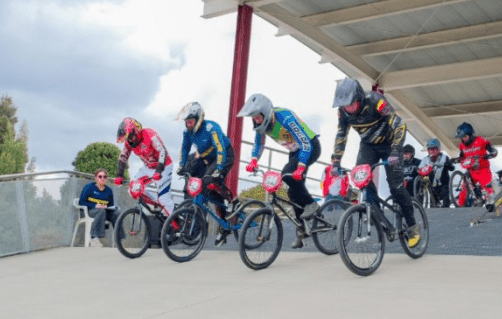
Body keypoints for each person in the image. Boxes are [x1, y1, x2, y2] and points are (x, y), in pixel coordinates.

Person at [331, 77, 421, 247]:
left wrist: (396, 150)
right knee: (361, 179)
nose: (348, 109)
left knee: (396, 187)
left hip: (389, 145)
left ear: (359, 97)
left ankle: (412, 226)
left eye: (351, 104)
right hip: (368, 146)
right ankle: (376, 213)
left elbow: (399, 125)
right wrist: (336, 161)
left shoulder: (376, 101)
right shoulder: (343, 112)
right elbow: (341, 135)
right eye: (345, 106)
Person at [237, 93, 321, 249]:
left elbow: (305, 143)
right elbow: (258, 144)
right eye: (253, 118)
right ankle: (303, 231)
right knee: (292, 194)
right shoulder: (261, 127)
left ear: (266, 112)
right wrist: (254, 159)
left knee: (287, 174)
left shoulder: (285, 117)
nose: (256, 121)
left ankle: (311, 205)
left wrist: (301, 166)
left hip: (310, 146)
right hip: (295, 151)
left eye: (257, 117)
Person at [175, 101, 237, 246]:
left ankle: (233, 201)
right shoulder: (187, 132)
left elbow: (220, 148)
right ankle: (224, 225)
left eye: (191, 121)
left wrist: (219, 169)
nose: (189, 124)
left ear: (198, 118)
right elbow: (184, 149)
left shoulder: (211, 127)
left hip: (224, 156)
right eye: (187, 122)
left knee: (209, 181)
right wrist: (182, 166)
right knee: (208, 191)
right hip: (209, 160)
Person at [114, 117, 174, 218]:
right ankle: (156, 204)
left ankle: (174, 224)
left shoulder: (150, 134)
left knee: (164, 199)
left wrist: (159, 171)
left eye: (130, 137)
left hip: (164, 166)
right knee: (132, 188)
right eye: (127, 138)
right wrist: (119, 175)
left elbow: (162, 152)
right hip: (149, 167)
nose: (129, 140)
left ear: (135, 131)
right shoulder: (129, 142)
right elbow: (123, 157)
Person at [455, 122, 497, 206]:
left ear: (471, 134)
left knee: (488, 187)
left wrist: (491, 154)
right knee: (464, 190)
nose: (464, 139)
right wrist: (456, 160)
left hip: (483, 169)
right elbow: (461, 156)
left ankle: (494, 203)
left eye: (465, 136)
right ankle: (459, 208)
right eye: (462, 138)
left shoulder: (481, 140)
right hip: (471, 171)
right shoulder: (462, 145)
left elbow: (493, 150)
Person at [78, 168, 117, 246]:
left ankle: (118, 238)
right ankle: (94, 237)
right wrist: (95, 205)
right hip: (89, 211)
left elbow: (111, 205)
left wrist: (107, 206)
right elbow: (81, 202)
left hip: (103, 212)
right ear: (96, 178)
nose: (102, 178)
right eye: (100, 176)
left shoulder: (109, 190)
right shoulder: (89, 187)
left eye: (104, 177)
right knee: (101, 211)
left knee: (117, 213)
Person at [416, 138, 454, 208]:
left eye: (434, 149)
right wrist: (421, 170)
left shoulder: (444, 157)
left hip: (443, 183)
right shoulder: (425, 159)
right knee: (433, 204)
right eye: (430, 149)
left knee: (445, 197)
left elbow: (452, 168)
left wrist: (448, 165)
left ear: (438, 149)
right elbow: (419, 169)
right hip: (432, 186)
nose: (431, 151)